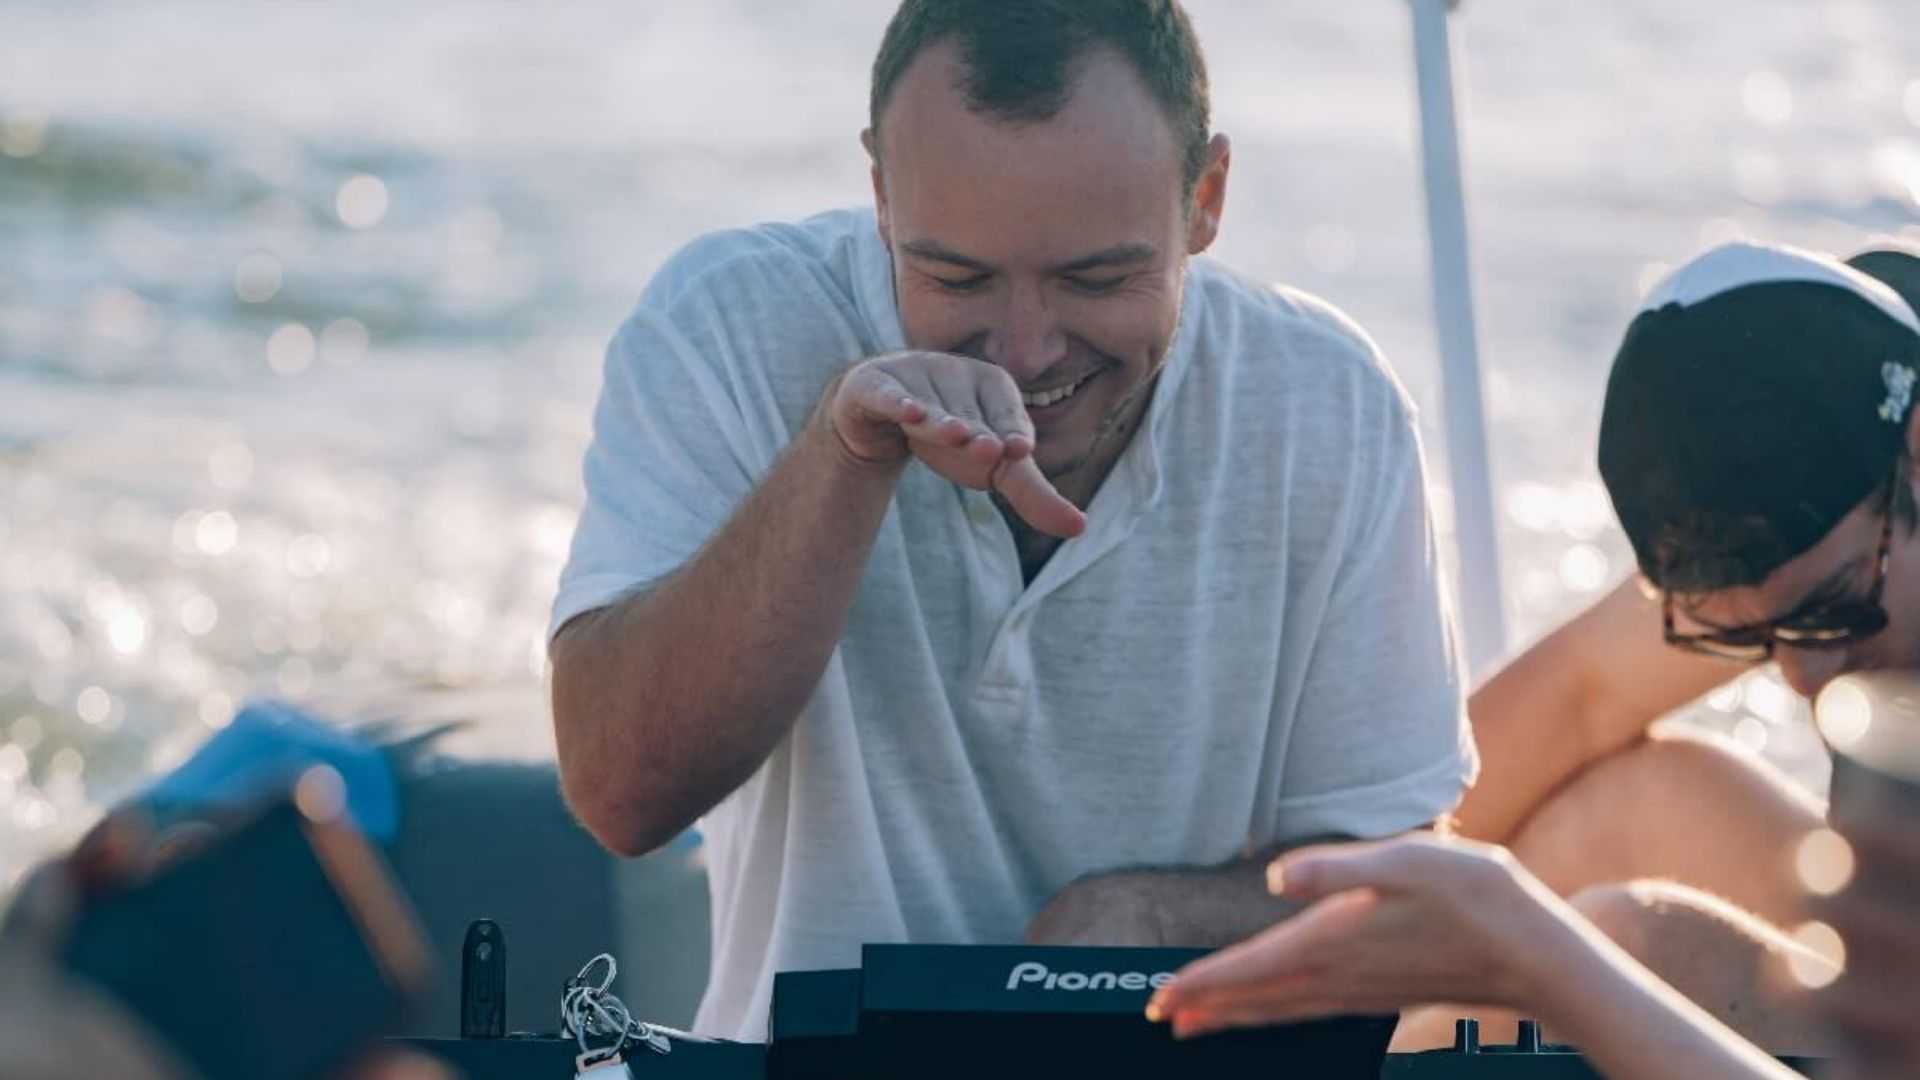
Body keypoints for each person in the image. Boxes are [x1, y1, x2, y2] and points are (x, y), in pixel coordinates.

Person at [547, 0, 1477, 1041]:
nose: (1026, 352)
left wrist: (1146, 918)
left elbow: (1406, 887)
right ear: (881, 195)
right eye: (957, 276)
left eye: (1096, 278)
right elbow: (620, 798)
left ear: (1206, 199)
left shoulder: (1328, 400)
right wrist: (844, 455)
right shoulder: (729, 326)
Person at [1395, 241, 1920, 1051]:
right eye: (1751, 635)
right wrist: (1298, 936)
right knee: (1621, 814)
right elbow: (1582, 693)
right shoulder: (1844, 430)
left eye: (1831, 610)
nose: (1802, 675)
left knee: (1631, 944)